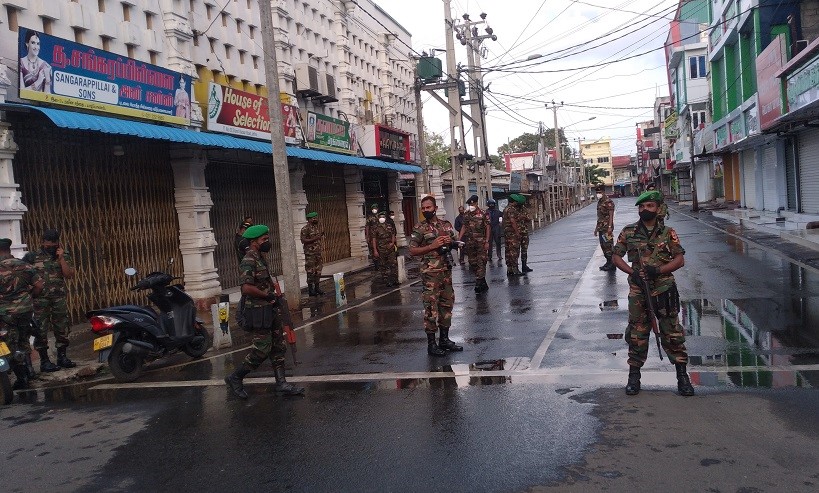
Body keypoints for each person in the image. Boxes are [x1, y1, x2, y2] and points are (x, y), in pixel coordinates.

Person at [611, 191, 695, 397]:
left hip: (664, 290)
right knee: (637, 333)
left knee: (672, 332)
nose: (644, 210)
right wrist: (633, 273)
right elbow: (615, 256)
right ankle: (634, 377)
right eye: (641, 207)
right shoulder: (629, 232)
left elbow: (679, 260)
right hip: (639, 291)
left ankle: (682, 377)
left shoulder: (668, 233)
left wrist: (657, 270)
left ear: (658, 208)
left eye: (649, 206)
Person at [225, 225, 304, 399]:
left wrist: (273, 298)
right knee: (262, 349)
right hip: (258, 311)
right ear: (254, 242)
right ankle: (235, 377)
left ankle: (281, 383)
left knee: (278, 346)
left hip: (270, 308)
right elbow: (246, 288)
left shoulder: (261, 258)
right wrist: (267, 296)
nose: (267, 242)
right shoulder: (249, 260)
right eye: (264, 240)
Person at [409, 195, 463, 357]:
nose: (426, 210)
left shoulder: (445, 225)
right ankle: (431, 344)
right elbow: (412, 251)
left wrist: (452, 243)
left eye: (428, 207)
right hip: (430, 275)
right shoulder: (419, 228)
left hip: (446, 272)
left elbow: (455, 241)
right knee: (431, 309)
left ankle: (444, 340)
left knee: (447, 305)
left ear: (435, 208)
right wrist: (432, 246)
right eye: (423, 208)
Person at [23, 229, 76, 371]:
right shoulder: (32, 257)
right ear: (42, 242)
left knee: (62, 327)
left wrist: (61, 259)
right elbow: (23, 276)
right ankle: (44, 361)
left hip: (58, 298)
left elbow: (69, 274)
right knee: (40, 329)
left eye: (54, 244)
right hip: (40, 300)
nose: (51, 246)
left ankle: (62, 357)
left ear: (58, 242)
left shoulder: (63, 255)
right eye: (48, 244)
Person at [0, 238, 44, 390]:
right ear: (9, 250)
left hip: (6, 314)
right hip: (25, 311)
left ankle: (21, 378)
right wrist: (30, 297)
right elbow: (39, 285)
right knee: (24, 340)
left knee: (9, 344)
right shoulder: (24, 265)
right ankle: (29, 371)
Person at [459, 195, 490, 293]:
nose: (471, 205)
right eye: (469, 204)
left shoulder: (483, 213)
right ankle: (482, 281)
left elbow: (488, 228)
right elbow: (464, 226)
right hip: (470, 242)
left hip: (481, 242)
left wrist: (487, 241)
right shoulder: (466, 214)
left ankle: (478, 283)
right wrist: (459, 239)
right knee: (473, 263)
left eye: (472, 204)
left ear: (476, 203)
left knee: (481, 261)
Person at [300, 211, 325, 296]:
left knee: (318, 270)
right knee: (310, 271)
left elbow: (317, 238)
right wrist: (315, 238)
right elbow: (303, 240)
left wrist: (319, 237)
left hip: (317, 253)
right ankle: (311, 290)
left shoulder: (316, 227)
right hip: (310, 254)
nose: (315, 219)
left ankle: (317, 288)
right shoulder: (305, 229)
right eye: (313, 218)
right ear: (309, 219)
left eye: (316, 217)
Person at [371, 211, 398, 287]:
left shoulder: (389, 226)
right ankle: (386, 280)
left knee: (393, 264)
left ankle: (394, 279)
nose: (382, 218)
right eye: (380, 217)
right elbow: (374, 239)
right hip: (381, 249)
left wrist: (392, 243)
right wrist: (375, 250)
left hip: (390, 248)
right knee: (383, 265)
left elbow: (393, 235)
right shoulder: (375, 228)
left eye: (383, 217)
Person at [593, 185, 616, 271]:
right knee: (603, 246)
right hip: (601, 228)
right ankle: (608, 261)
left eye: (600, 192)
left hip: (607, 228)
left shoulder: (608, 201)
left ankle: (612, 263)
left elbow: (611, 215)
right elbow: (599, 217)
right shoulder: (599, 202)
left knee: (608, 245)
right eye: (597, 193)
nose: (598, 194)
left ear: (603, 192)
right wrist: (596, 229)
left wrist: (610, 227)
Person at [503, 194, 525, 276]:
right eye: (516, 201)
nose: (516, 203)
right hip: (512, 233)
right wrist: (517, 232)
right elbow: (512, 221)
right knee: (514, 251)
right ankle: (515, 269)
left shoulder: (505, 209)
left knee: (508, 251)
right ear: (513, 202)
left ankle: (509, 269)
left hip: (507, 233)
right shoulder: (511, 210)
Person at [518, 195, 533, 273]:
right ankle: (514, 268)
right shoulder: (513, 210)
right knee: (515, 251)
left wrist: (525, 218)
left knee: (524, 250)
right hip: (516, 233)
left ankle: (524, 265)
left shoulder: (524, 209)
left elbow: (529, 219)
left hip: (524, 232)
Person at [365, 203, 380, 267]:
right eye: (373, 209)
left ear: (377, 209)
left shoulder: (380, 216)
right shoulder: (370, 217)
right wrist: (367, 236)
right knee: (372, 248)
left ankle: (381, 262)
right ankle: (376, 263)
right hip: (372, 235)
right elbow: (367, 227)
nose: (374, 210)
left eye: (375, 208)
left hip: (380, 235)